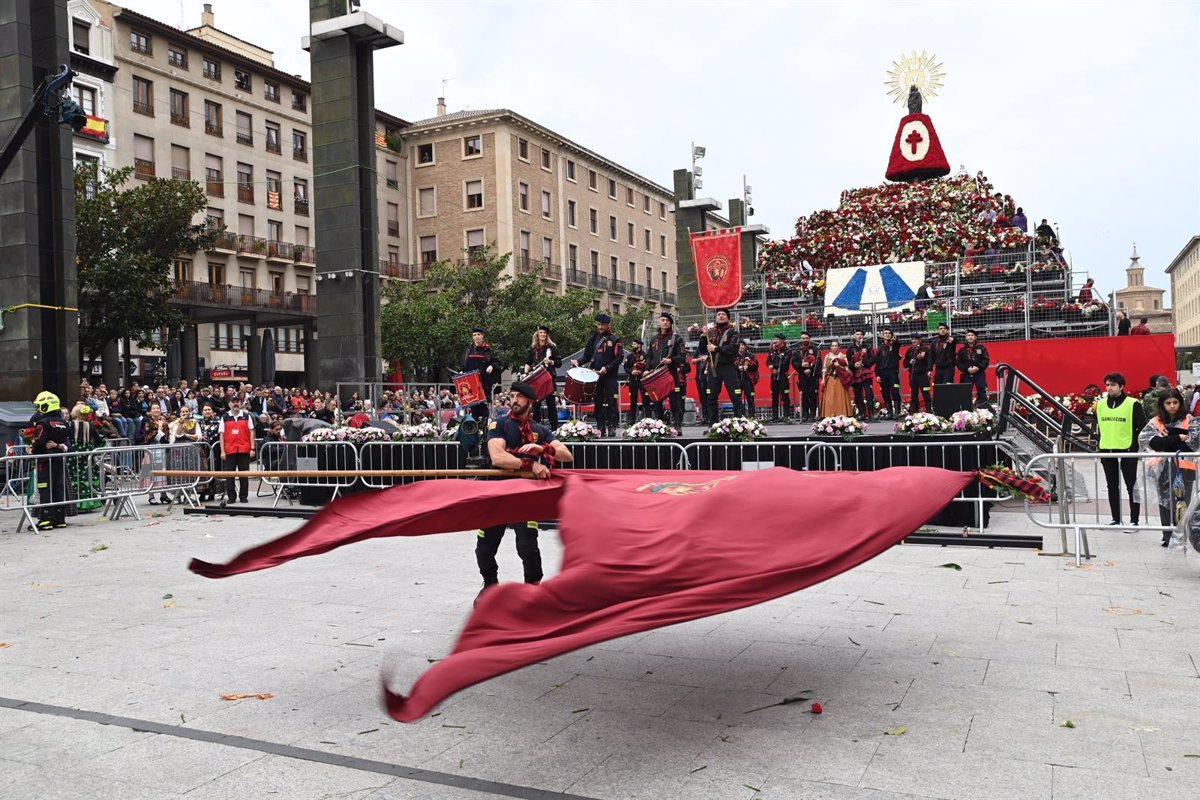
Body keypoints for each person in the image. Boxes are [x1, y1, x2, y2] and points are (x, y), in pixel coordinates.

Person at [476, 381, 574, 601]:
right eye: (512, 396)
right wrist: (531, 464)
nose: (514, 400)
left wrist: (544, 449)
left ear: (531, 401)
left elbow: (566, 455)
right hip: (497, 494)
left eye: (520, 396)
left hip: (523, 497)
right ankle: (489, 585)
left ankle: (532, 589)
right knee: (485, 546)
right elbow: (498, 457)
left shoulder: (539, 430)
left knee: (528, 547)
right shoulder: (498, 424)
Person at [1138, 388, 1199, 546]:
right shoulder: (1156, 422)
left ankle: (1181, 535)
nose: (1172, 406)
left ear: (1180, 403)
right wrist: (1178, 437)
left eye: (1175, 402)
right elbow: (1152, 443)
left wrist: (1166, 440)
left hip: (1185, 468)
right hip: (1162, 468)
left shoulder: (1189, 420)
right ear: (1162, 404)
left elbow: (1191, 446)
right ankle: (1167, 536)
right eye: (1168, 403)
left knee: (1182, 503)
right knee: (1164, 502)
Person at [1096, 372, 1145, 527]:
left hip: (1127, 450)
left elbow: (1142, 428)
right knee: (1112, 486)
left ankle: (1134, 520)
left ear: (1121, 386)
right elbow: (1101, 428)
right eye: (1107, 385)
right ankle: (1115, 518)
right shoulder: (1101, 404)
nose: (1109, 388)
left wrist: (1134, 447)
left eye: (1113, 385)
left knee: (1131, 485)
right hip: (1106, 449)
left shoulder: (1133, 403)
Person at [574, 313, 623, 436]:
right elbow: (587, 355)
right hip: (595, 376)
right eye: (599, 324)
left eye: (603, 325)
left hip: (610, 376)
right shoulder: (592, 339)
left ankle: (612, 426)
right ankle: (600, 426)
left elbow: (619, 358)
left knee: (612, 402)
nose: (600, 327)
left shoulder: (614, 339)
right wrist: (578, 361)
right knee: (598, 401)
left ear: (608, 325)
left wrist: (607, 368)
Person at [29, 391, 71, 530]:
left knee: (45, 489)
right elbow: (66, 441)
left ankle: (46, 519)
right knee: (58, 488)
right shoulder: (63, 422)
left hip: (45, 461)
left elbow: (40, 441)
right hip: (59, 459)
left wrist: (32, 450)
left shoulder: (43, 422)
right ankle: (59, 519)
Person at [646, 312, 687, 430]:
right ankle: (660, 426)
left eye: (667, 321)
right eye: (662, 320)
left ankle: (677, 426)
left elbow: (682, 356)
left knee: (675, 401)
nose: (664, 322)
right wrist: (647, 369)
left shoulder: (677, 338)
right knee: (656, 402)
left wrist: (672, 360)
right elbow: (649, 356)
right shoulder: (654, 339)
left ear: (671, 323)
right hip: (656, 375)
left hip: (671, 374)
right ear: (659, 322)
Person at [702, 308, 745, 420]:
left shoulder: (733, 332)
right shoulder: (711, 332)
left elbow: (733, 348)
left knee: (735, 395)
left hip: (728, 367)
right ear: (716, 317)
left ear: (728, 317)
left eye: (723, 314)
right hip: (714, 368)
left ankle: (739, 422)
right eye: (719, 314)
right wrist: (704, 336)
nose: (721, 316)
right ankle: (713, 424)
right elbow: (702, 349)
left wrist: (716, 348)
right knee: (711, 396)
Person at [219, 394, 254, 506]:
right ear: (229, 404)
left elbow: (252, 432)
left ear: (240, 403)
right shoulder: (224, 417)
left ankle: (243, 496)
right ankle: (231, 497)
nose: (235, 404)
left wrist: (252, 448)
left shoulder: (246, 416)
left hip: (244, 449)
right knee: (230, 475)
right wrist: (222, 451)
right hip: (230, 450)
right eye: (233, 402)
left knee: (244, 475)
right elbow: (221, 435)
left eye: (237, 401)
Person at [524, 325, 561, 429]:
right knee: (536, 404)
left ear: (547, 335)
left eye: (544, 333)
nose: (542, 335)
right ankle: (536, 428)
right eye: (541, 332)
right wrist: (525, 373)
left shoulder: (552, 347)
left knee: (551, 404)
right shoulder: (533, 348)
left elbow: (559, 363)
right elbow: (528, 362)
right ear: (537, 334)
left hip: (549, 377)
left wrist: (551, 361)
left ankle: (554, 428)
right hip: (536, 379)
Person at [462, 327, 502, 419]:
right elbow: (464, 365)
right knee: (474, 408)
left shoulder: (488, 350)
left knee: (484, 409)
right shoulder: (468, 350)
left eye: (478, 335)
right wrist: (462, 371)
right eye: (474, 335)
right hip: (471, 384)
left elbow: (497, 362)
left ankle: (484, 430)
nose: (477, 337)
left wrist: (492, 366)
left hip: (484, 383)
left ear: (482, 336)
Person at [817, 340, 854, 418]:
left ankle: (842, 413)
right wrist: (823, 379)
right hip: (830, 378)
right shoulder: (827, 356)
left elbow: (847, 369)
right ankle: (829, 413)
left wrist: (839, 366)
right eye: (832, 346)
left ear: (839, 347)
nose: (834, 347)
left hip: (840, 379)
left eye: (836, 346)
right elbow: (824, 368)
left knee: (840, 397)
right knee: (830, 397)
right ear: (830, 347)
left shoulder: (843, 356)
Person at [955, 329, 991, 408]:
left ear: (975, 337)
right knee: (965, 392)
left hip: (979, 373)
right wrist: (966, 369)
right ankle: (966, 409)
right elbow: (958, 363)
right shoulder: (962, 350)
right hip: (966, 374)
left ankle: (982, 408)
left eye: (972, 335)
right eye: (968, 335)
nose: (970, 337)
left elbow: (985, 360)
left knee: (982, 390)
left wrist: (978, 367)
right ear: (966, 337)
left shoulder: (981, 348)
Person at [875, 327, 903, 420]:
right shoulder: (880, 348)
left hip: (892, 373)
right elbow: (877, 363)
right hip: (883, 373)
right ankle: (889, 412)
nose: (887, 334)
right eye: (885, 333)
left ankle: (897, 412)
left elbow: (897, 345)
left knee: (895, 392)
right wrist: (877, 375)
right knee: (885, 393)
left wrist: (895, 341)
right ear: (883, 335)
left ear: (892, 335)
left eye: (889, 333)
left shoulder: (894, 346)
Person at [791, 332, 820, 422]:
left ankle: (812, 415)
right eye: (803, 338)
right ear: (801, 339)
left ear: (809, 339)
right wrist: (801, 366)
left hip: (813, 376)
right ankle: (805, 415)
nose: (805, 340)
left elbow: (819, 362)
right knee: (804, 396)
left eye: (807, 338)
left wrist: (810, 369)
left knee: (813, 395)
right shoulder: (797, 350)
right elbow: (794, 362)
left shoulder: (815, 349)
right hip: (802, 376)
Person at [848, 329, 876, 420]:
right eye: (857, 334)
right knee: (858, 395)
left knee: (869, 393)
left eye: (861, 334)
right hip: (855, 374)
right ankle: (861, 413)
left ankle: (871, 413)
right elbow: (847, 362)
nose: (859, 336)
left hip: (866, 373)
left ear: (863, 336)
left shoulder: (868, 346)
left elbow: (873, 359)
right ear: (854, 336)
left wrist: (865, 363)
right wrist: (853, 365)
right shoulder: (850, 348)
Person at [623, 338, 650, 425]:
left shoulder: (645, 355)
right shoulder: (630, 356)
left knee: (645, 400)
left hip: (643, 380)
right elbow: (626, 367)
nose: (633, 346)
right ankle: (631, 422)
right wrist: (632, 371)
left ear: (639, 345)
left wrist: (641, 372)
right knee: (633, 400)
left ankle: (648, 421)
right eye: (633, 344)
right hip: (632, 380)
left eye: (634, 344)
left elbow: (648, 366)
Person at [766, 333, 792, 422]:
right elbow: (767, 361)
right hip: (773, 375)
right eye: (775, 339)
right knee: (774, 395)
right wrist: (770, 366)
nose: (775, 341)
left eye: (777, 339)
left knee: (785, 395)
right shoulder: (772, 350)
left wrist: (774, 366)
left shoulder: (787, 350)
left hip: (783, 375)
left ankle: (786, 415)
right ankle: (775, 416)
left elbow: (785, 362)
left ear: (782, 340)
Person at [904, 334, 932, 413]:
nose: (914, 341)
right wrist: (910, 362)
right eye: (912, 339)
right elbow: (904, 364)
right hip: (913, 375)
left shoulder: (926, 349)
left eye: (916, 339)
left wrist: (923, 359)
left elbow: (929, 362)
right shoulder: (910, 350)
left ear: (920, 340)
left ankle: (929, 411)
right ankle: (915, 411)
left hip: (923, 374)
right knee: (914, 395)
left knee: (925, 393)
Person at [691, 327, 711, 425]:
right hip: (700, 377)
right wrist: (700, 359)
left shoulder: (710, 349)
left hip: (709, 376)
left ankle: (711, 417)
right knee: (702, 398)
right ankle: (705, 417)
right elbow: (693, 361)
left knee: (710, 397)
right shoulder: (698, 350)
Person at [736, 340, 760, 420]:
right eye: (740, 345)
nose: (741, 346)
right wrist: (737, 367)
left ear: (745, 346)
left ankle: (752, 417)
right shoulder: (734, 355)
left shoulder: (750, 355)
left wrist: (748, 366)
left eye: (743, 345)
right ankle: (739, 417)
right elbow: (730, 367)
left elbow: (756, 366)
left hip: (748, 379)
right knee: (737, 398)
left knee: (750, 399)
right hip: (737, 380)